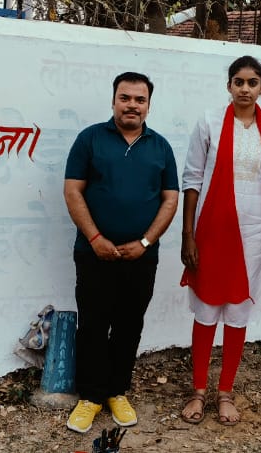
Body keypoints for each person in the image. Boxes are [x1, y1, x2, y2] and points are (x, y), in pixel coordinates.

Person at [178, 55, 261, 426]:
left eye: (252, 82)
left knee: (238, 311)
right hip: (213, 227)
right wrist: (187, 235)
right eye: (239, 82)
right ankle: (199, 390)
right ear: (229, 85)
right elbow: (192, 179)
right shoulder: (210, 121)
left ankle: (226, 391)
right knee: (206, 308)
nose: (245, 89)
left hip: (257, 229)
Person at [62, 72, 180, 433]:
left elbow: (170, 200)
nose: (132, 105)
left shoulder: (161, 147)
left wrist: (145, 242)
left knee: (129, 325)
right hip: (93, 253)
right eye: (125, 98)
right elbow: (72, 191)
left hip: (141, 258)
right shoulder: (90, 139)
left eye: (139, 100)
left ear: (148, 105)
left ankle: (117, 391)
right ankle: (90, 396)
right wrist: (95, 238)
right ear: (113, 100)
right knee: (93, 325)